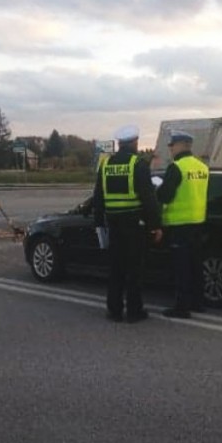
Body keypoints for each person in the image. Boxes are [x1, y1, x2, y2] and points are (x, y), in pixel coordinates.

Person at [93, 125, 163, 323]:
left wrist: (99, 223)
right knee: (134, 269)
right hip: (134, 225)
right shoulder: (137, 164)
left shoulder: (106, 165)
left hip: (113, 225)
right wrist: (155, 225)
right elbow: (149, 198)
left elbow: (98, 196)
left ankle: (114, 310)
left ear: (119, 143)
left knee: (115, 269)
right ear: (134, 143)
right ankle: (134, 311)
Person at [156, 130, 210, 319]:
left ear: (180, 146)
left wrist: (157, 191)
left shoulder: (176, 167)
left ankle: (181, 307)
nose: (170, 148)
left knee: (181, 268)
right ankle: (198, 303)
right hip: (198, 222)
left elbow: (165, 196)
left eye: (172, 145)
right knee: (196, 265)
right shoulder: (202, 167)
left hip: (179, 224)